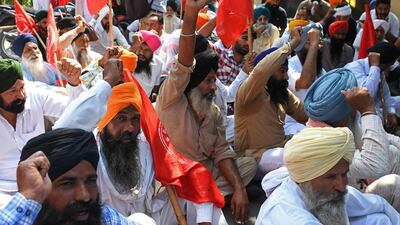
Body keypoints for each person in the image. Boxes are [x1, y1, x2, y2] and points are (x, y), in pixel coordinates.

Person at [155, 0, 257, 223]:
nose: (214, 87)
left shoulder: (213, 111)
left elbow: (221, 151)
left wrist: (239, 190)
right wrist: (190, 15)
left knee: (246, 166)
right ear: (193, 81)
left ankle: (224, 197)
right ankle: (217, 200)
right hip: (179, 181)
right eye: (209, 81)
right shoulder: (171, 99)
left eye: (215, 80)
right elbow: (183, 64)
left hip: (209, 180)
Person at [0, 57, 117, 197]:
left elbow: (73, 111)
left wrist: (74, 84)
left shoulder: (34, 96)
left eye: (21, 87)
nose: (21, 95)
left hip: (44, 181)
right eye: (12, 91)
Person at [3, 128, 152, 225]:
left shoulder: (101, 217)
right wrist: (30, 196)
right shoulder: (23, 214)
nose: (85, 196)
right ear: (41, 188)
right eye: (67, 183)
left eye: (90, 181)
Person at [255, 127, 400, 225]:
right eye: (331, 177)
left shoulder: (319, 189)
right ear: (305, 178)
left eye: (344, 174)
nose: (342, 185)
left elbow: (379, 204)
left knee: (379, 220)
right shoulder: (294, 219)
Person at [303, 68, 400, 210]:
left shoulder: (339, 121)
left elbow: (382, 138)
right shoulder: (323, 142)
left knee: (393, 152)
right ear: (343, 115)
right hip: (343, 204)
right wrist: (367, 110)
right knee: (395, 185)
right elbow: (376, 166)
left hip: (357, 186)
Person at [234, 28, 308, 176]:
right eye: (282, 71)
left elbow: (305, 114)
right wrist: (291, 45)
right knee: (284, 157)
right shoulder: (249, 90)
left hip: (281, 148)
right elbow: (261, 71)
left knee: (311, 143)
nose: (286, 77)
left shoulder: (281, 93)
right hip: (253, 157)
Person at [344, 42, 400, 133]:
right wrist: (375, 67)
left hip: (374, 111)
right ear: (382, 63)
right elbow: (366, 94)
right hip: (356, 115)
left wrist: (391, 113)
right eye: (387, 66)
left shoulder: (379, 71)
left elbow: (386, 94)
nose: (387, 69)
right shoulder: (354, 68)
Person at [130, 30, 163, 96]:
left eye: (147, 50)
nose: (142, 53)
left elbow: (155, 87)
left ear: (153, 52)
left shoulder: (158, 63)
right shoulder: (128, 57)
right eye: (140, 48)